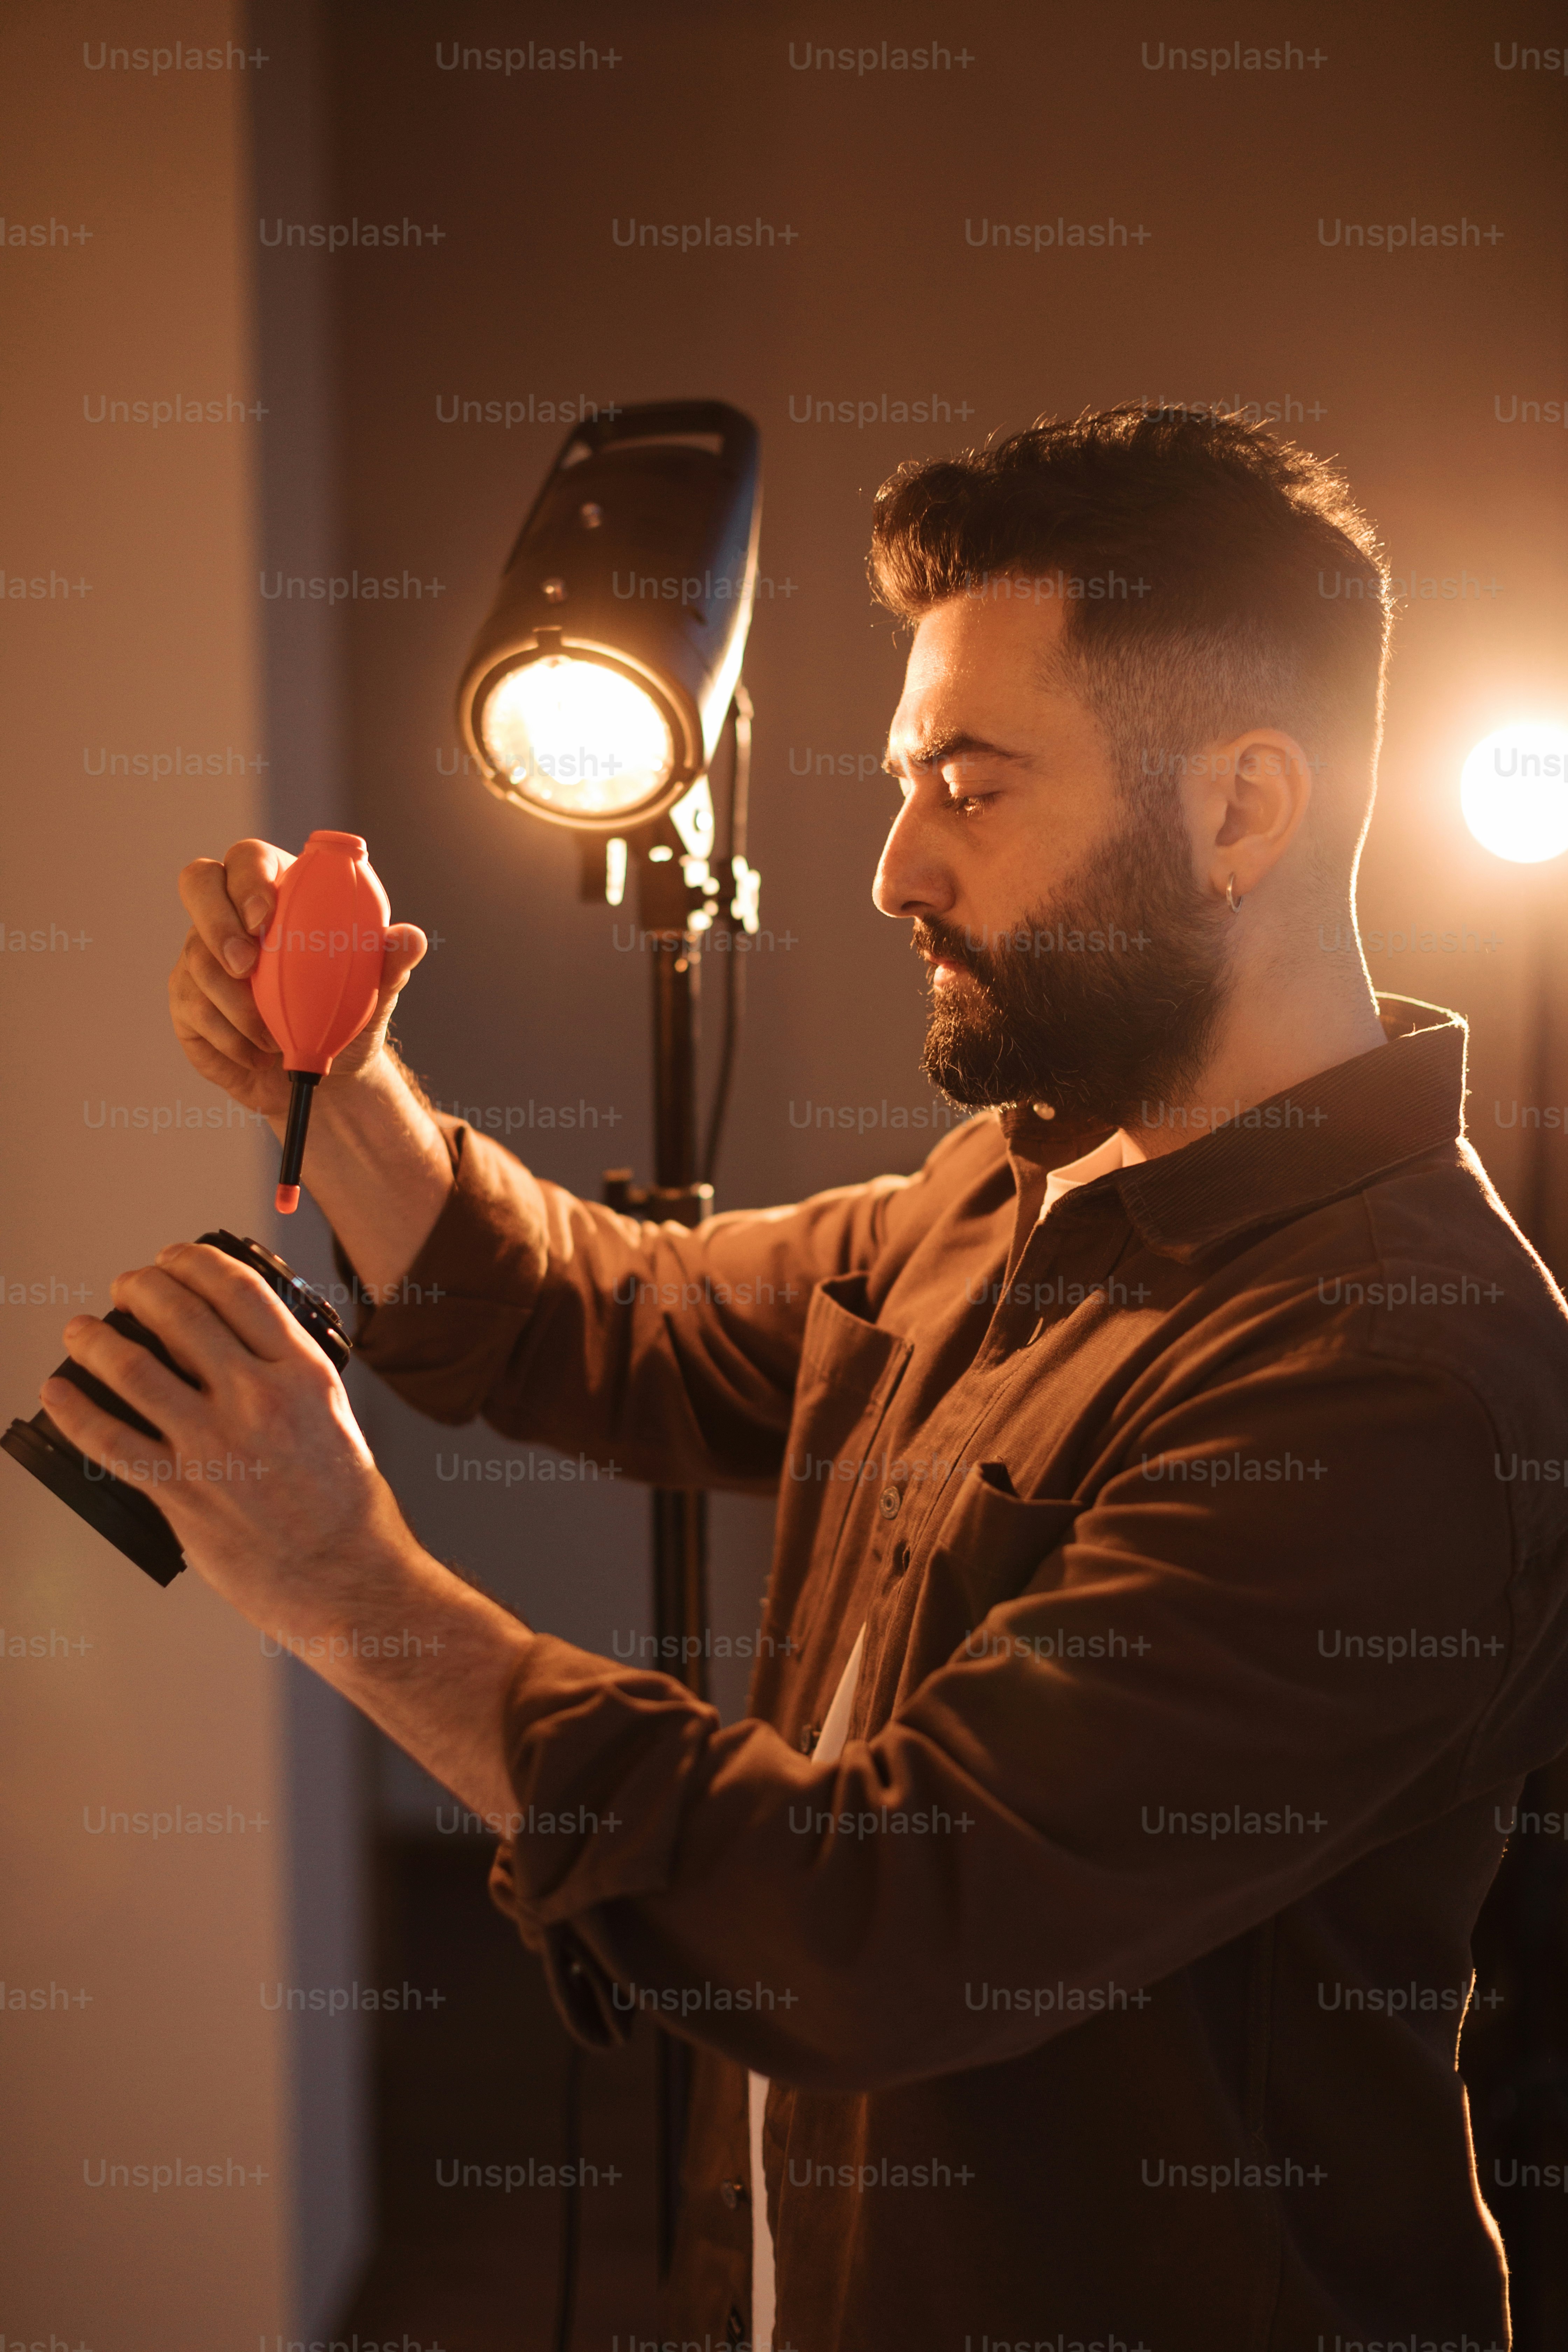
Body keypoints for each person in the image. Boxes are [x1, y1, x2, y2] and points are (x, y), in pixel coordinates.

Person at [47, 407, 1568, 2352]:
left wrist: (351, 1594)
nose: (893, 868)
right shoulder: (1026, 1177)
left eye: (971, 784)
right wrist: (330, 1090)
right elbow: (632, 1323)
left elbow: (879, 1920)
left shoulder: (1395, 1383)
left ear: (1241, 814)